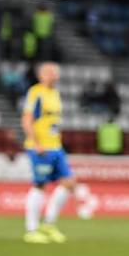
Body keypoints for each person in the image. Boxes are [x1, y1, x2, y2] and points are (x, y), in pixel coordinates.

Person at [21, 62, 76, 244]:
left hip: (56, 147)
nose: (54, 75)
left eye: (55, 72)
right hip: (40, 147)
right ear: (41, 75)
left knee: (69, 182)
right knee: (40, 185)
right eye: (50, 72)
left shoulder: (56, 94)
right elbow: (27, 119)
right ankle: (31, 230)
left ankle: (49, 224)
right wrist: (36, 143)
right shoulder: (36, 92)